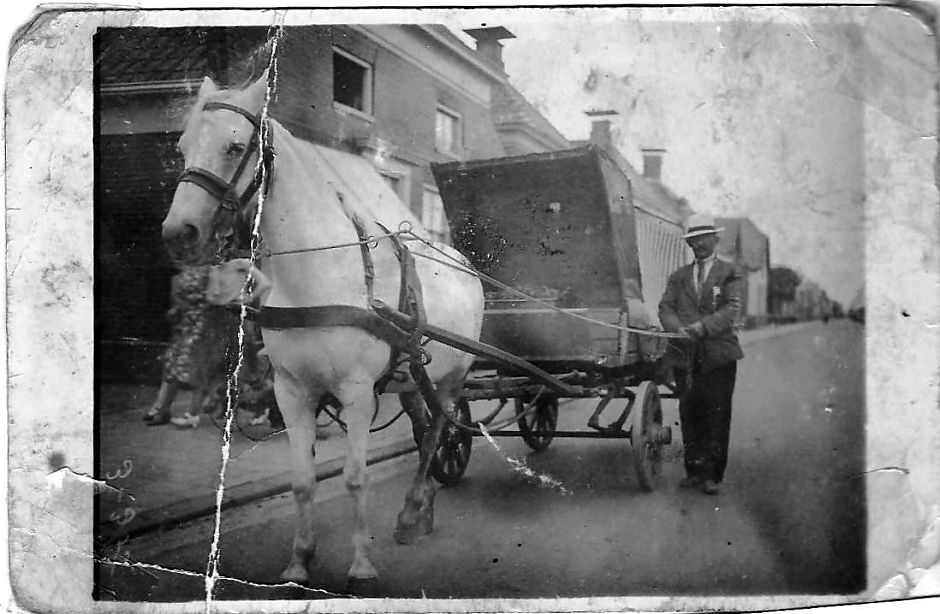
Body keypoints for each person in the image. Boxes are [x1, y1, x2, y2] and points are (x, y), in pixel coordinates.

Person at [658, 213, 744, 495]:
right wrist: (677, 328)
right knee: (689, 412)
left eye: (704, 239)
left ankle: (712, 475)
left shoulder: (729, 272)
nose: (699, 245)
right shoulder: (679, 276)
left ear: (715, 240)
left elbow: (732, 308)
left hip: (719, 355)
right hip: (685, 355)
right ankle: (694, 472)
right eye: (694, 241)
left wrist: (703, 327)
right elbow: (665, 307)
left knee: (717, 413)